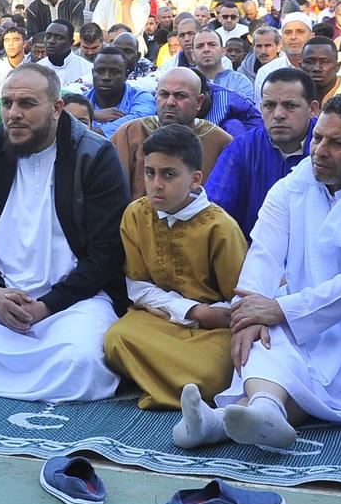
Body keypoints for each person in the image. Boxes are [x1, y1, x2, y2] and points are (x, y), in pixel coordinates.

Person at [177, 94, 341, 451]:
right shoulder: (292, 186)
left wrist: (280, 310)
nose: (319, 150)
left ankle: (221, 421)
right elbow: (263, 256)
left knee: (289, 336)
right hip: (294, 313)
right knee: (265, 334)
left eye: (337, 144)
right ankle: (263, 409)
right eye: (318, 137)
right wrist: (252, 309)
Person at [0, 65, 127, 401]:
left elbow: (107, 254)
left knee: (83, 364)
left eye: (27, 104)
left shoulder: (95, 156)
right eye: (8, 103)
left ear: (56, 108)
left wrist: (47, 306)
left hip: (73, 301)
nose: (13, 114)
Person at [102, 124, 249, 410]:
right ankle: (182, 393)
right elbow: (137, 285)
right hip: (158, 318)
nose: (156, 184)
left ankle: (162, 388)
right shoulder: (135, 214)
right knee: (115, 340)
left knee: (212, 374)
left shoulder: (220, 227)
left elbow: (238, 301)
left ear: (195, 179)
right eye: (149, 172)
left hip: (212, 329)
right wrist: (190, 311)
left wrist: (205, 316)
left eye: (169, 174)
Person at [204, 68, 317, 237]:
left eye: (290, 105)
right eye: (269, 105)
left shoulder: (330, 148)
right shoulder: (243, 148)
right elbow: (214, 212)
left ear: (312, 109)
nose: (278, 115)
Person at [112, 68, 232, 199]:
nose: (170, 102)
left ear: (198, 102)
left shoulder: (221, 142)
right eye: (164, 94)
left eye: (180, 96)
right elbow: (112, 193)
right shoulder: (129, 133)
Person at [84, 46, 157, 138]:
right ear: (92, 73)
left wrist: (82, 121)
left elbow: (136, 122)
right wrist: (92, 114)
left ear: (126, 75)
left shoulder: (141, 98)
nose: (106, 77)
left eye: (114, 72)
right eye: (100, 71)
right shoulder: (82, 99)